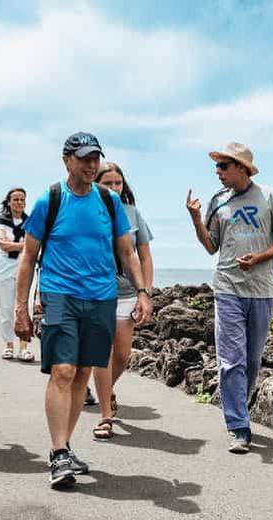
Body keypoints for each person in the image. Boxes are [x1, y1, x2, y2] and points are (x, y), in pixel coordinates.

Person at [14, 132, 152, 488]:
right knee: (63, 370)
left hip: (102, 297)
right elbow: (28, 257)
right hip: (60, 294)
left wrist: (142, 292)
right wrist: (21, 309)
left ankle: (64, 445)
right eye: (84, 159)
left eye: (95, 159)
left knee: (81, 374)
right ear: (67, 160)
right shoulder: (50, 200)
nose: (92, 165)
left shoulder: (109, 201)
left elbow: (127, 252)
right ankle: (59, 452)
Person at [186, 142, 273, 453]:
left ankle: (239, 411)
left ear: (242, 168)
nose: (218, 172)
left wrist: (258, 258)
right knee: (231, 360)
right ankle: (239, 426)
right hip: (227, 288)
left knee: (252, 360)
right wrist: (195, 219)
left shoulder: (272, 197)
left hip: (262, 289)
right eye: (216, 167)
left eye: (223, 166)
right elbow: (211, 246)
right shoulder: (218, 202)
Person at [91, 162, 154, 439]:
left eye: (118, 183)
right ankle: (105, 415)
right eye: (108, 183)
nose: (114, 188)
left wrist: (146, 292)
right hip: (96, 291)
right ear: (96, 184)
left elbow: (145, 256)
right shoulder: (86, 209)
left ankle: (106, 389)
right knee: (102, 354)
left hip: (128, 292)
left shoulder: (132, 212)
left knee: (122, 355)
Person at [0, 187, 34, 362]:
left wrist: (18, 246)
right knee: (4, 307)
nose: (19, 202)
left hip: (25, 267)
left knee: (25, 306)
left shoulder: (30, 222)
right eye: (15, 199)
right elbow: (4, 244)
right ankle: (8, 345)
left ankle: (24, 347)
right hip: (5, 267)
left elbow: (36, 245)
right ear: (9, 202)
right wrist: (27, 246)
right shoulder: (1, 222)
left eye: (22, 199)